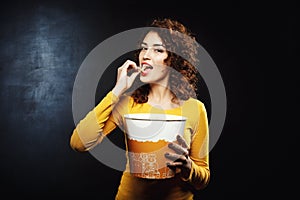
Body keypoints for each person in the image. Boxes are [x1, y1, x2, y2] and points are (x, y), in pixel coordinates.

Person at [70, 17, 210, 200]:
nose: (145, 55)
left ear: (174, 60)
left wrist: (188, 168)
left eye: (158, 50)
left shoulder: (195, 109)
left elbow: (203, 179)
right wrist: (117, 90)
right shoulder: (128, 103)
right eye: (144, 48)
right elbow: (79, 143)